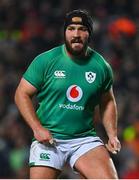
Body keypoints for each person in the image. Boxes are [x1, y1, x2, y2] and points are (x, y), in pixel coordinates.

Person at [15, 9, 121, 179]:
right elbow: (21, 94)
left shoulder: (101, 66)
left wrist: (112, 135)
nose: (76, 34)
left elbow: (108, 101)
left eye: (82, 29)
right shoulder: (46, 60)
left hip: (83, 139)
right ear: (64, 32)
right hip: (48, 139)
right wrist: (37, 128)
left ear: (89, 34)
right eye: (71, 28)